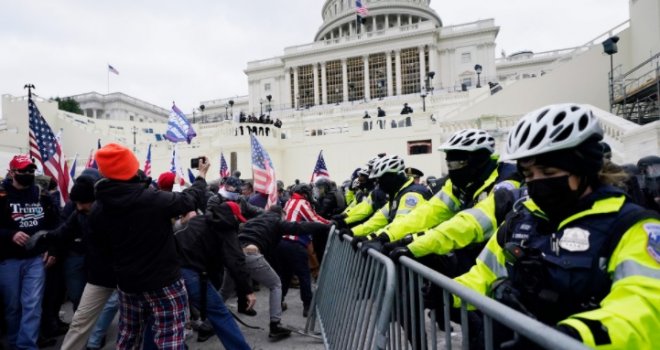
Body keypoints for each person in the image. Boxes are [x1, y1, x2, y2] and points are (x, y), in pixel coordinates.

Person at [452, 104, 660, 349]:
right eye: (528, 175)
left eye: (548, 172)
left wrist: (571, 335)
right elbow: (484, 275)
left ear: (583, 169)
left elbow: (645, 306)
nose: (537, 182)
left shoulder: (632, 227)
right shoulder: (522, 220)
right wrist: (447, 294)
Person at [89, 143, 210, 349]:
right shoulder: (152, 199)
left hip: (128, 285)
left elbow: (101, 248)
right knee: (169, 340)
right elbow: (189, 200)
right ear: (132, 168)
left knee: (128, 337)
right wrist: (201, 176)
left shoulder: (98, 209)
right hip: (164, 283)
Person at [222, 205, 330, 339]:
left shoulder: (253, 221)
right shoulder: (277, 222)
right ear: (282, 214)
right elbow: (301, 227)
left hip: (233, 255)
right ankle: (275, 325)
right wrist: (326, 226)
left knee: (225, 291)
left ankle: (207, 326)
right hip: (250, 254)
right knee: (275, 284)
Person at [174, 198, 253, 349]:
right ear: (232, 216)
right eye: (237, 218)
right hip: (190, 272)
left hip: (169, 269)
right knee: (220, 314)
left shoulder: (200, 220)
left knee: (165, 316)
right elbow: (236, 260)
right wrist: (247, 291)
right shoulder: (226, 227)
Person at [0, 155, 60, 349]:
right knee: (12, 306)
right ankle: (13, 341)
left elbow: (55, 226)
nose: (27, 174)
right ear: (11, 173)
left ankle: (27, 346)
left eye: (30, 171)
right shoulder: (1, 195)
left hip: (36, 258)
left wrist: (52, 249)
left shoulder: (42, 195)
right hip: (8, 259)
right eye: (23, 171)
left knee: (32, 304)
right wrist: (10, 234)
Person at [276, 183, 329, 317]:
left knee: (285, 276)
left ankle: (278, 303)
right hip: (296, 243)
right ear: (305, 193)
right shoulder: (302, 203)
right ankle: (308, 306)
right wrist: (330, 224)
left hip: (281, 242)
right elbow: (314, 219)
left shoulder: (289, 202)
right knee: (304, 275)